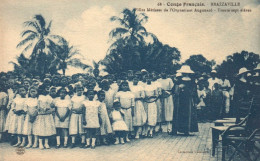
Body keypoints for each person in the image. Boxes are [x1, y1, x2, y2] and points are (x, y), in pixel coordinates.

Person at [172, 66, 199, 136]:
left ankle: (186, 130)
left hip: (188, 100)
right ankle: (176, 130)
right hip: (179, 99)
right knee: (178, 114)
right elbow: (173, 89)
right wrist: (178, 88)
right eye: (183, 72)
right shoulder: (179, 80)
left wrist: (184, 88)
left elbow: (194, 91)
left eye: (185, 73)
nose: (184, 74)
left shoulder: (192, 81)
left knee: (187, 114)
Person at [69, 84, 85, 148]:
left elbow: (85, 105)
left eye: (81, 90)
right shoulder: (73, 98)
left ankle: (83, 142)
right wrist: (74, 109)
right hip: (74, 114)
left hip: (81, 114)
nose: (79, 91)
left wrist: (81, 110)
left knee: (81, 128)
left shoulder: (84, 97)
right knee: (74, 127)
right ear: (75, 91)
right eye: (78, 90)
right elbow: (70, 106)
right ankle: (73, 142)